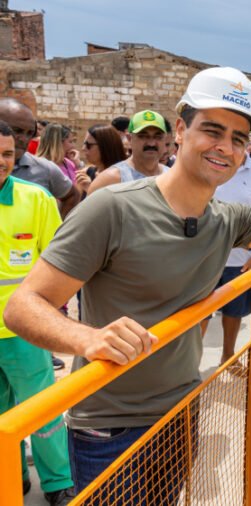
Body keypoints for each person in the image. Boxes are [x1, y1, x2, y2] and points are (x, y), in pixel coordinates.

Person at [4, 66, 251, 495]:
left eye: (238, 138)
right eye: (212, 131)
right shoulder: (112, 209)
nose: (225, 147)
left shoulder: (225, 220)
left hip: (181, 413)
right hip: (111, 430)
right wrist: (87, 338)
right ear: (180, 130)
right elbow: (23, 306)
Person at [0, 120, 75, 505]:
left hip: (23, 333)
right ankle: (10, 478)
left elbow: (59, 263)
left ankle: (58, 482)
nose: (1, 161)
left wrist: (50, 320)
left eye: (7, 154)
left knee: (42, 411)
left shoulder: (36, 200)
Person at [200, 143, 251, 368]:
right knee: (199, 314)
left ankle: (228, 357)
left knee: (234, 311)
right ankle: (191, 365)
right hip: (205, 258)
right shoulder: (209, 163)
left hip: (241, 261)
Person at [0, 99, 80, 218]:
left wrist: (58, 226)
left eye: (30, 133)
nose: (24, 139)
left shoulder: (45, 169)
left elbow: (72, 196)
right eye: (17, 131)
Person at [87, 110, 169, 194]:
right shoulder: (110, 180)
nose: (151, 143)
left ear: (165, 139)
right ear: (129, 138)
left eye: (158, 136)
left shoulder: (172, 177)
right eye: (143, 136)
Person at [75, 124, 127, 195]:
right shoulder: (87, 173)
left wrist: (90, 189)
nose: (83, 148)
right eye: (84, 143)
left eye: (88, 145)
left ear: (105, 146)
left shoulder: (122, 178)